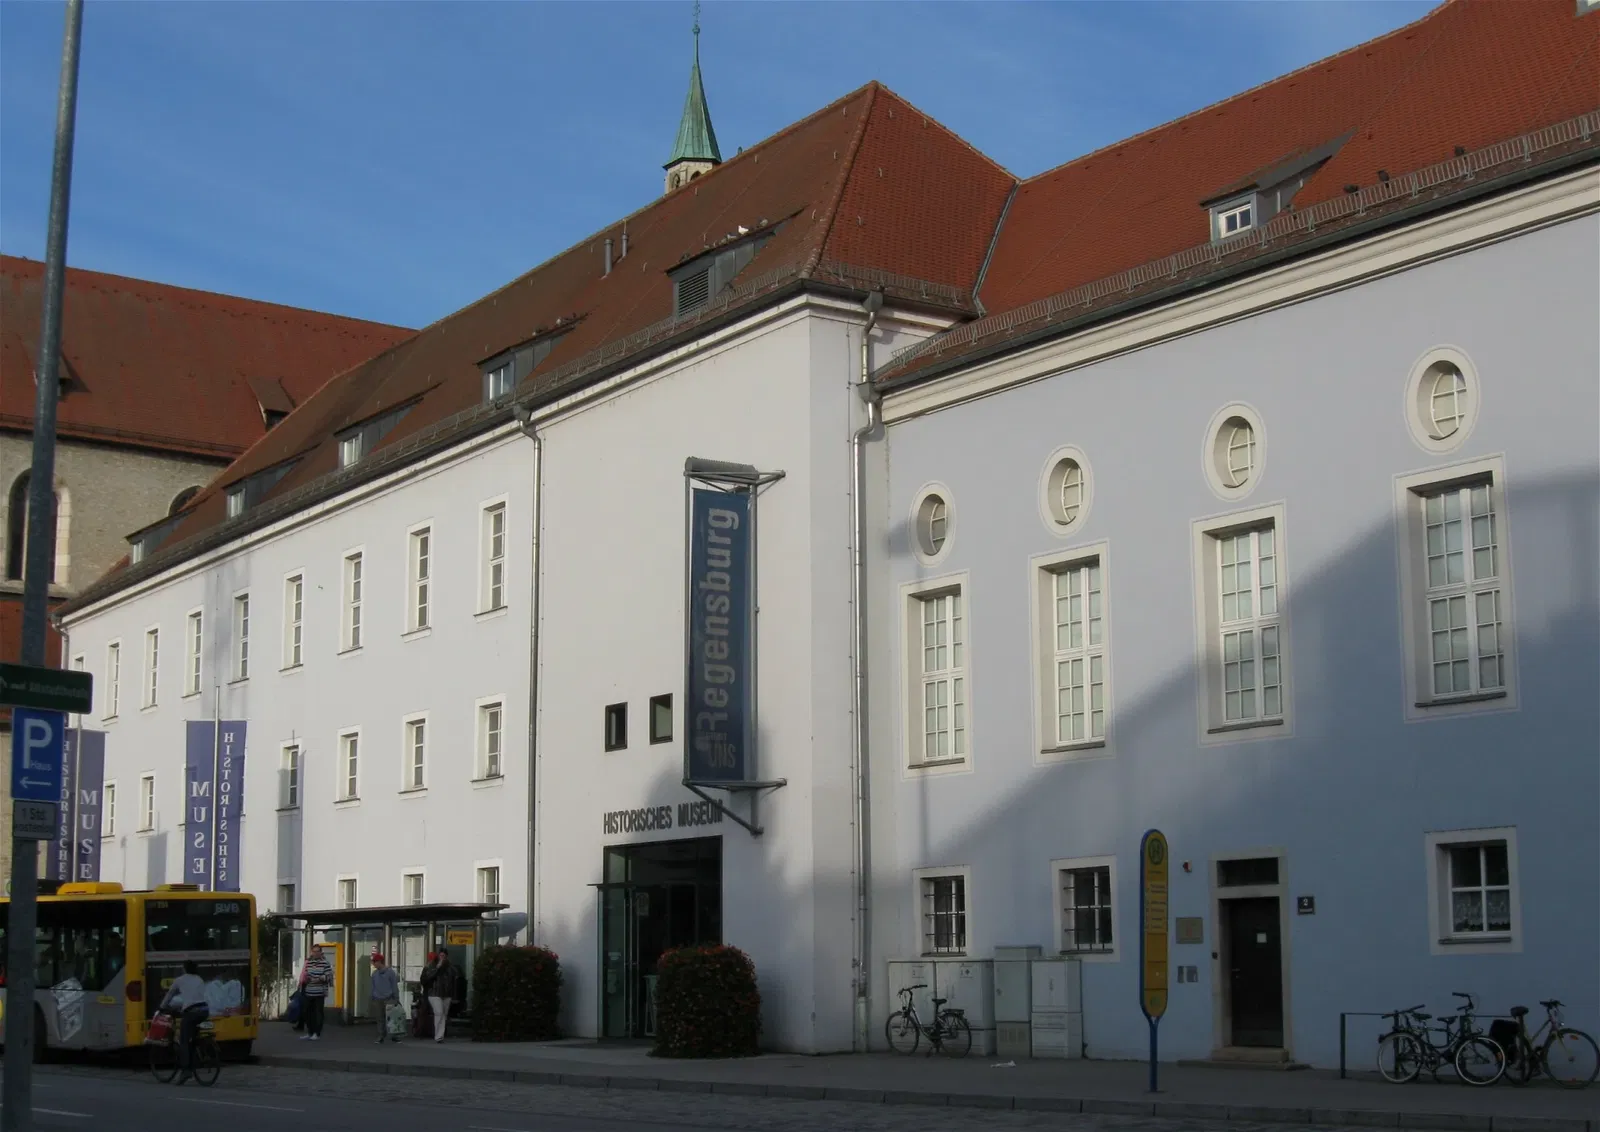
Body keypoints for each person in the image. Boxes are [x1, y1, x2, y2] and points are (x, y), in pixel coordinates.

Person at [158, 959, 209, 1084]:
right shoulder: (199, 979)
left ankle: (186, 1070)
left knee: (184, 1040)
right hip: (204, 1010)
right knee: (191, 1037)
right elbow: (195, 996)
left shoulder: (180, 980)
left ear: (184, 968)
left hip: (191, 1012)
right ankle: (196, 1054)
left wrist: (162, 1007)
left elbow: (169, 995)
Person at [297, 943, 334, 1041]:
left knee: (318, 1013)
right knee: (308, 1013)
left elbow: (329, 977)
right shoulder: (309, 963)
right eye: (314, 951)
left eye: (318, 951)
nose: (316, 953)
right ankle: (310, 1032)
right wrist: (307, 979)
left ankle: (317, 1033)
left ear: (321, 953)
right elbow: (306, 975)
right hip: (309, 991)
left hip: (319, 992)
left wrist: (318, 979)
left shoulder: (325, 963)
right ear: (311, 952)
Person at [420, 951, 455, 1042]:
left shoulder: (450, 968)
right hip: (434, 993)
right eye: (441, 955)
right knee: (439, 1012)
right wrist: (437, 968)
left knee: (443, 1014)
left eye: (444, 956)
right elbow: (426, 978)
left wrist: (453, 994)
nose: (442, 958)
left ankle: (440, 1035)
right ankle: (438, 1036)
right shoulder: (431, 966)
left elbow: (453, 981)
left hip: (446, 994)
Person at [369, 952, 401, 1044]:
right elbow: (373, 986)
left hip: (389, 998)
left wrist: (396, 998)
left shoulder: (390, 972)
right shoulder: (374, 974)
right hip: (378, 998)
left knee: (392, 1018)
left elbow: (394, 986)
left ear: (380, 962)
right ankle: (381, 1036)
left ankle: (395, 1036)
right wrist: (372, 996)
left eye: (375, 962)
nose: (373, 964)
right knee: (380, 1018)